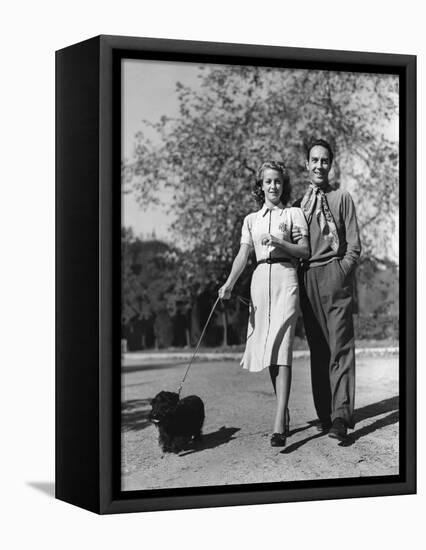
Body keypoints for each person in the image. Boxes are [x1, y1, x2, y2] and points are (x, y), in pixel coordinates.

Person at [218, 160, 309, 447]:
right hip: (260, 284)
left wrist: (279, 242)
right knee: (270, 349)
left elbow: (304, 250)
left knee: (282, 345)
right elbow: (243, 255)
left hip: (286, 279)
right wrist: (230, 283)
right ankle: (284, 411)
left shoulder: (294, 213)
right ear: (261, 186)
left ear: (284, 185)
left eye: (278, 181)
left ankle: (278, 421)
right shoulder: (251, 220)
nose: (273, 186)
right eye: (268, 181)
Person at [293, 139, 361, 441]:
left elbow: (354, 245)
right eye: (314, 160)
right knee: (319, 351)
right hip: (307, 279)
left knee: (340, 349)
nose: (319, 165)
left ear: (330, 165)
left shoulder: (341, 197)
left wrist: (340, 272)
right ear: (307, 164)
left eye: (324, 160)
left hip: (333, 276)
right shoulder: (298, 205)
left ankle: (341, 418)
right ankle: (324, 414)